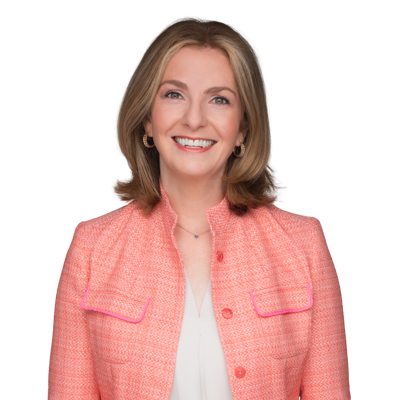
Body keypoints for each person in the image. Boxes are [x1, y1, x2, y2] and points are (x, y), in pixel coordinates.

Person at [48, 20, 351, 400]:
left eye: (219, 99)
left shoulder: (304, 246)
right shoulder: (92, 249)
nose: (194, 119)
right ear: (147, 120)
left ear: (242, 129)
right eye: (174, 94)